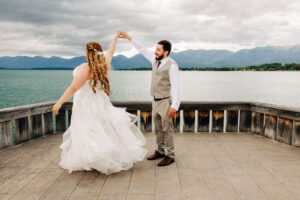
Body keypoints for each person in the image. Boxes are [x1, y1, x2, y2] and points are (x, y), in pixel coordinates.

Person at [52, 32, 147, 175]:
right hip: (99, 101)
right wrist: (114, 39)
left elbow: (73, 88)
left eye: (85, 50)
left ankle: (94, 158)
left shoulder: (86, 68)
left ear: (88, 53)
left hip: (86, 103)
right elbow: (111, 51)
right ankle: (101, 158)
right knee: (102, 127)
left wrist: (59, 103)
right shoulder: (103, 64)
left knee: (88, 129)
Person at [118, 31, 180, 166]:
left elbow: (176, 87)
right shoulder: (154, 60)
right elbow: (142, 48)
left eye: (158, 50)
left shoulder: (172, 66)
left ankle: (170, 155)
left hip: (165, 101)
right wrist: (128, 37)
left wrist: (175, 105)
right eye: (155, 49)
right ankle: (160, 150)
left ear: (166, 52)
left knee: (167, 129)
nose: (155, 51)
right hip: (155, 101)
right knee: (158, 128)